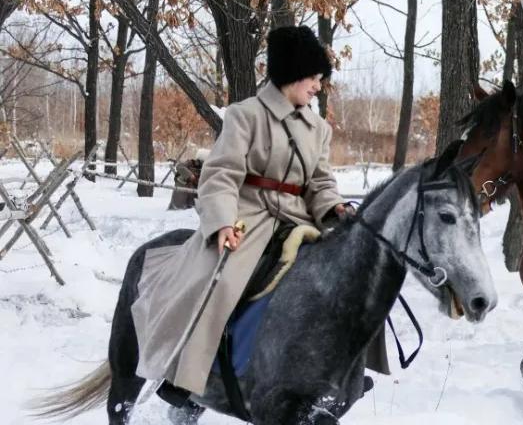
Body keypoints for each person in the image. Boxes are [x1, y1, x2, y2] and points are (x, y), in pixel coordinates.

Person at [131, 25, 388, 398]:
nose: (317, 87)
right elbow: (221, 175)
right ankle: (186, 374)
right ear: (293, 73)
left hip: (300, 219)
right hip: (248, 217)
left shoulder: (319, 129)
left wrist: (334, 207)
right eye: (313, 78)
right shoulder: (245, 115)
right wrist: (220, 223)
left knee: (350, 275)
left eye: (320, 79)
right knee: (220, 281)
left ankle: (344, 371)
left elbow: (319, 183)